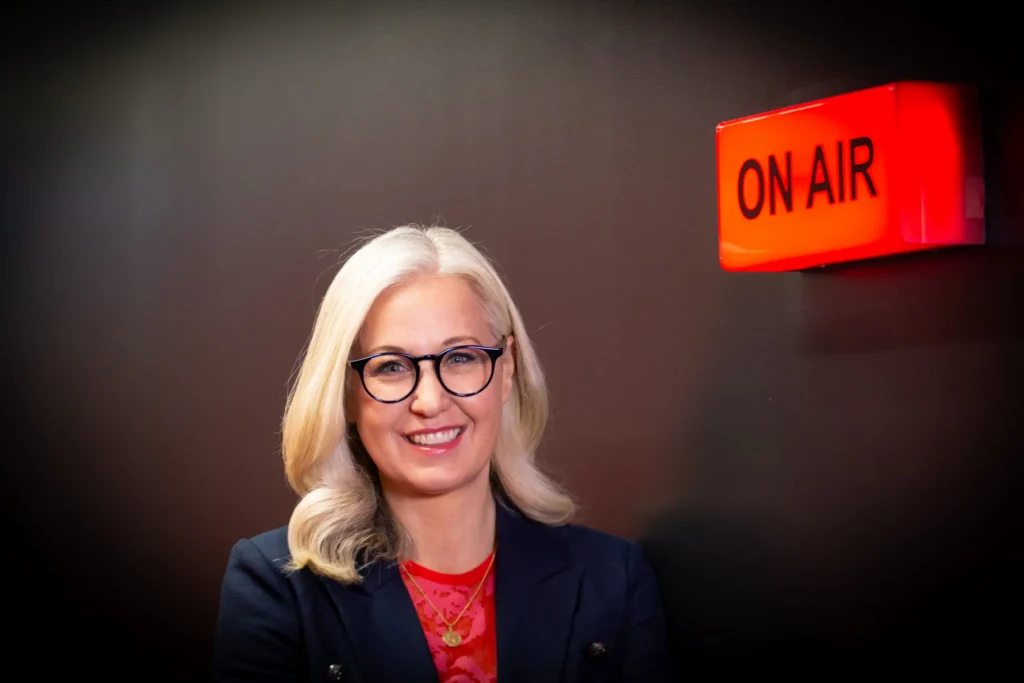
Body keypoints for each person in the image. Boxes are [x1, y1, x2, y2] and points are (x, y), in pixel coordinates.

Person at [212, 225, 672, 682]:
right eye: (391, 366)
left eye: (460, 358)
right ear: (347, 394)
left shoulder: (614, 577)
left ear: (506, 370)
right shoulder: (275, 585)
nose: (430, 402)